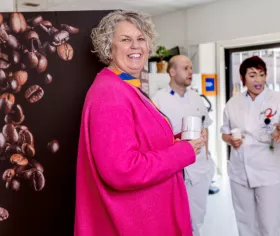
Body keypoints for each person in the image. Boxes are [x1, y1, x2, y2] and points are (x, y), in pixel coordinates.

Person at [74, 10, 206, 236]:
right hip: (133, 223)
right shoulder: (110, 93)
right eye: (125, 40)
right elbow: (122, 170)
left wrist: (176, 142)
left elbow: (138, 143)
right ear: (109, 47)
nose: (135, 46)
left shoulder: (125, 86)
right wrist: (182, 152)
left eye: (141, 38)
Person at [220, 56, 280, 236]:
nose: (258, 80)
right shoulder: (233, 103)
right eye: (253, 75)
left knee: (269, 225)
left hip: (269, 172)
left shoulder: (279, 100)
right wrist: (230, 140)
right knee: (245, 224)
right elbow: (224, 132)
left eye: (262, 75)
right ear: (243, 78)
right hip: (240, 171)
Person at [152, 55, 215, 236]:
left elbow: (205, 127)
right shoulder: (159, 99)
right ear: (172, 72)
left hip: (198, 168)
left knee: (197, 218)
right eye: (185, 68)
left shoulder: (196, 97)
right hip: (173, 170)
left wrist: (206, 156)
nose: (190, 72)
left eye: (191, 68)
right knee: (175, 221)